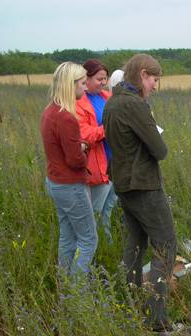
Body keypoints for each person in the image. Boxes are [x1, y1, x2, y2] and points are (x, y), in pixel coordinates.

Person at [103, 54, 177, 332]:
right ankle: (156, 321)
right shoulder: (135, 104)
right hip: (144, 185)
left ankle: (130, 304)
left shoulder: (113, 101)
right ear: (143, 74)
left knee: (135, 244)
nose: (156, 86)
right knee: (166, 245)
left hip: (123, 184)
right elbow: (160, 150)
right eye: (155, 79)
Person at [41, 62, 98, 275]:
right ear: (69, 85)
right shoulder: (66, 117)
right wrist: (84, 146)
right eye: (82, 83)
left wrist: (77, 145)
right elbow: (75, 161)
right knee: (89, 240)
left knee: (68, 236)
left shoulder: (50, 111)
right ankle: (77, 292)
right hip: (71, 185)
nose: (85, 88)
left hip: (55, 182)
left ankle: (64, 284)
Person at [76, 59, 118, 244]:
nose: (103, 82)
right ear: (87, 78)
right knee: (96, 211)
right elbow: (84, 134)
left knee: (109, 207)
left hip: (114, 162)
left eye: (105, 79)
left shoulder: (106, 97)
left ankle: (107, 244)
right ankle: (94, 247)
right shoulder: (78, 102)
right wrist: (109, 128)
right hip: (97, 165)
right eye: (99, 79)